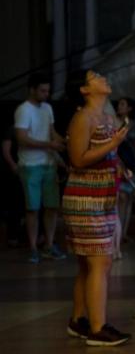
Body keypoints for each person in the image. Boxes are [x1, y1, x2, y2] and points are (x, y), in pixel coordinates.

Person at [62, 69, 131, 346]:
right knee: (100, 261)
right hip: (84, 198)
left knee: (87, 264)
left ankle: (79, 319)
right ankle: (97, 327)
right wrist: (113, 144)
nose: (104, 79)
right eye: (95, 77)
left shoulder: (107, 116)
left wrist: (120, 166)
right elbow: (78, 159)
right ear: (84, 90)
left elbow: (107, 154)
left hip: (103, 196)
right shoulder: (83, 118)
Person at [14, 73, 67, 263]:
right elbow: (21, 138)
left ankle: (49, 245)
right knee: (32, 209)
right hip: (30, 165)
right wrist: (49, 145)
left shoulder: (48, 108)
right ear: (32, 90)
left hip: (49, 163)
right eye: (43, 91)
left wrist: (66, 141)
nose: (46, 94)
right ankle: (33, 248)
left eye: (48, 91)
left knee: (52, 207)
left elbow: (52, 133)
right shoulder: (23, 110)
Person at [113, 97, 135, 258]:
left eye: (123, 104)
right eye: (118, 104)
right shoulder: (111, 121)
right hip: (117, 163)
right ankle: (117, 238)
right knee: (119, 197)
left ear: (130, 108)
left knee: (127, 198)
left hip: (130, 164)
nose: (119, 106)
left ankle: (123, 232)